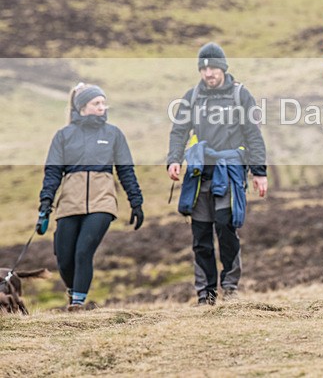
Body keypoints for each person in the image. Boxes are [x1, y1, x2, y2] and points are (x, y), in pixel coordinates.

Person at [167, 42, 268, 305]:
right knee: (200, 236)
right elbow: (179, 131)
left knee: (225, 227)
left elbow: (253, 135)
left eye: (212, 67)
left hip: (230, 174)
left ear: (223, 68)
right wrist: (173, 160)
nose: (208, 73)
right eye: (203, 69)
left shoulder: (240, 95)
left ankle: (230, 287)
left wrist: (259, 172)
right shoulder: (192, 97)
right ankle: (206, 293)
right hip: (199, 175)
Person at [36, 83, 144, 311]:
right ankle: (73, 291)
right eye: (96, 103)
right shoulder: (64, 136)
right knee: (64, 258)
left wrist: (136, 202)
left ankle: (78, 303)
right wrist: (46, 202)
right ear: (82, 107)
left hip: (102, 202)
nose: (102, 107)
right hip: (69, 203)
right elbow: (53, 172)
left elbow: (125, 170)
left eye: (103, 103)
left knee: (83, 251)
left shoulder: (113, 134)